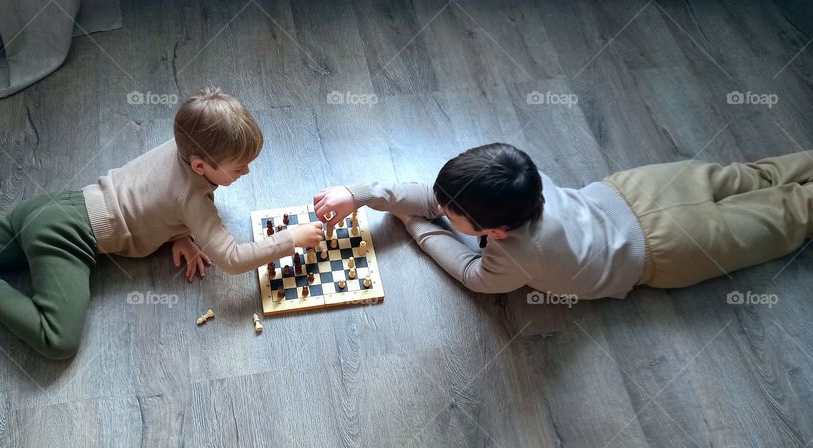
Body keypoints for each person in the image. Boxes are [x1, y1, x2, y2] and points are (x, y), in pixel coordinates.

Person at [0, 87, 323, 359]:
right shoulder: (196, 196)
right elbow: (235, 259)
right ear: (201, 166)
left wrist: (180, 232)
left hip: (55, 205)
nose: (246, 173)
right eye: (238, 167)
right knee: (58, 342)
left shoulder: (181, 142)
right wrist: (290, 239)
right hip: (68, 241)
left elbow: (160, 199)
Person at [314, 142, 813, 299]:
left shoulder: (515, 255)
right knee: (760, 176)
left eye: (450, 214)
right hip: (643, 189)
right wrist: (361, 195)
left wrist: (416, 227)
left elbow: (472, 275)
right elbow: (436, 197)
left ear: (496, 233)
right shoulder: (519, 177)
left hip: (673, 249)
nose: (438, 209)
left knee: (794, 212)